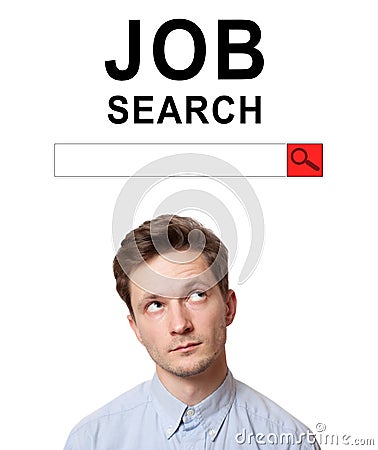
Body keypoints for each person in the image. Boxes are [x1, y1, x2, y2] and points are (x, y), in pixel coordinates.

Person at [64, 215, 320, 450]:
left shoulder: (290, 442)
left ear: (228, 308)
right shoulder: (92, 441)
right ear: (136, 329)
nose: (179, 324)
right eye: (155, 305)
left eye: (196, 295)